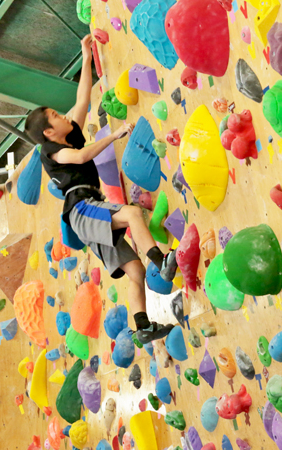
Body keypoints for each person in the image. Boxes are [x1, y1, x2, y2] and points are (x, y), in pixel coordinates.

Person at [25, 34, 177, 344]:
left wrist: (86, 56)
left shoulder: (69, 134)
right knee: (132, 214)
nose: (63, 115)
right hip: (81, 210)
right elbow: (81, 157)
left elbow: (83, 100)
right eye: (55, 116)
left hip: (89, 212)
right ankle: (161, 263)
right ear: (49, 132)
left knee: (135, 271)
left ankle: (142, 327)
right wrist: (115, 135)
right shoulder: (51, 152)